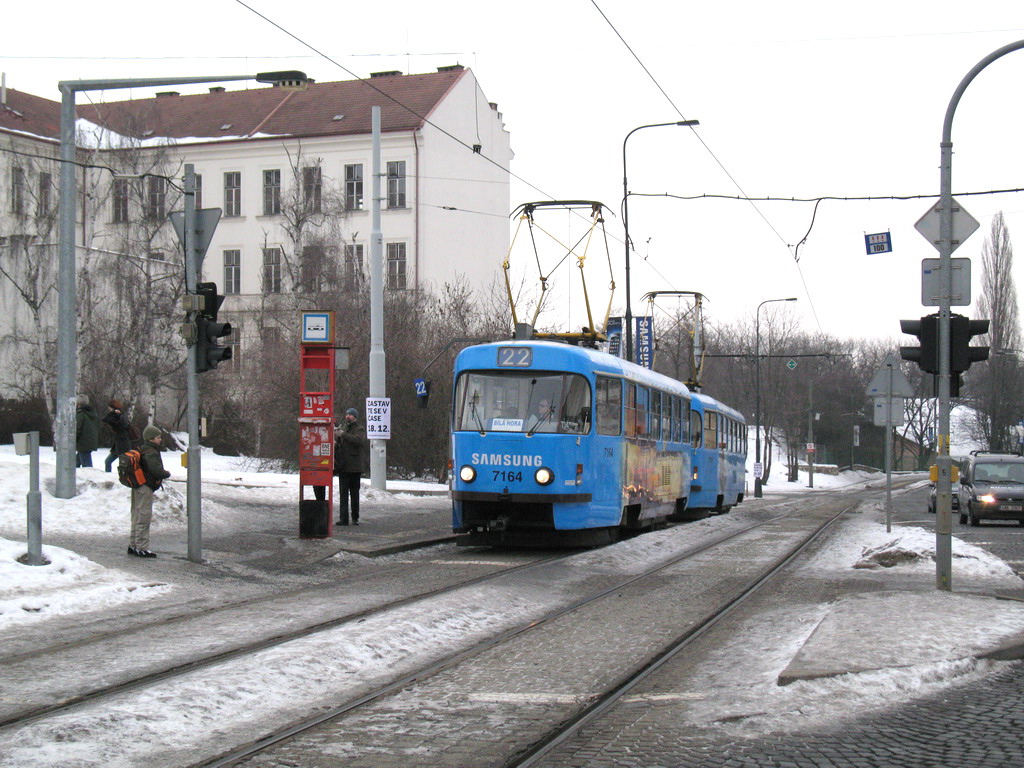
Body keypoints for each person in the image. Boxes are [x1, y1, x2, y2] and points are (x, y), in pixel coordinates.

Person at [128, 425, 171, 558]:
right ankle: (141, 548)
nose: (160, 439)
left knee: (136, 515)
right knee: (144, 517)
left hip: (137, 485)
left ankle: (133, 545)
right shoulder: (151, 452)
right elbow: (156, 470)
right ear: (151, 439)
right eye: (158, 437)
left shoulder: (142, 449)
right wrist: (166, 473)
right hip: (145, 487)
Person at [335, 407, 367, 525]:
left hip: (354, 467)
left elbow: (357, 441)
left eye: (350, 414)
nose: (348, 416)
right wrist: (337, 439)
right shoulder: (344, 428)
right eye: (347, 414)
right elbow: (341, 444)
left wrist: (342, 434)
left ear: (355, 417)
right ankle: (343, 519)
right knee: (343, 494)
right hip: (344, 466)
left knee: (354, 494)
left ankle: (355, 518)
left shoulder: (359, 428)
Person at [102, 399, 136, 473]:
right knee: (108, 461)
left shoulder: (121, 416)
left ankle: (124, 477)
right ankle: (108, 476)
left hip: (123, 444)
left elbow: (121, 424)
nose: (109, 409)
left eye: (110, 408)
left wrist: (116, 414)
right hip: (118, 445)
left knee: (123, 464)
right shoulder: (116, 415)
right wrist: (113, 412)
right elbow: (105, 419)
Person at [75, 395, 100, 467]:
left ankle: (89, 474)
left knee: (87, 466)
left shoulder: (80, 414)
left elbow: (77, 429)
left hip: (83, 443)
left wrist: (72, 440)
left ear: (78, 403)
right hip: (90, 441)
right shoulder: (92, 413)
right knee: (75, 462)